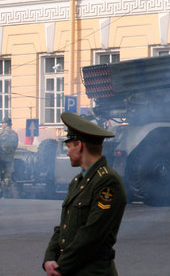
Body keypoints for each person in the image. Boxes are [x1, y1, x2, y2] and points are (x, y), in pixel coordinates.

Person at [43, 112, 126, 276]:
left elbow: (92, 234)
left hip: (93, 271)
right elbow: (64, 226)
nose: (67, 153)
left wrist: (61, 266)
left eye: (69, 147)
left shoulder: (107, 181)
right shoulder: (78, 181)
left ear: (79, 145)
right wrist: (49, 257)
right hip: (73, 269)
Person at [0, 118, 19, 196]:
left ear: (6, 124)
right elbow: (15, 145)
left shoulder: (1, 133)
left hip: (1, 158)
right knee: (8, 176)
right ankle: (7, 192)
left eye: (3, 123)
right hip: (9, 158)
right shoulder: (14, 133)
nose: (2, 125)